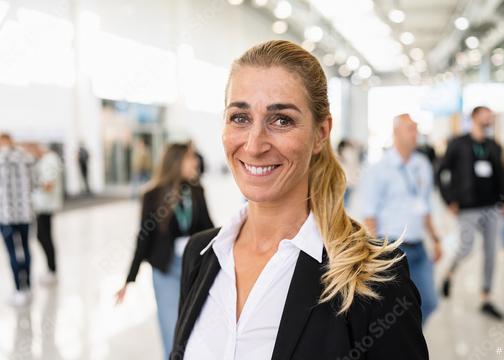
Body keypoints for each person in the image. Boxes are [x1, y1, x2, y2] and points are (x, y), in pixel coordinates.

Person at [170, 40, 427, 360]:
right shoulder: (202, 255)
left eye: (281, 120)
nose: (254, 145)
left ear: (321, 133)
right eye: (240, 117)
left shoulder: (373, 279)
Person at [116, 142, 213, 360]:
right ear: (177, 162)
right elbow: (143, 239)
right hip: (166, 271)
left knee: (195, 332)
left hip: (194, 269)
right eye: (191, 157)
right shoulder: (153, 195)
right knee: (171, 335)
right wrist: (128, 280)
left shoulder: (196, 190)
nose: (196, 162)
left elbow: (209, 228)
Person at [360, 114, 442, 325]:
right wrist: (373, 256)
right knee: (393, 310)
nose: (415, 134)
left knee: (430, 301)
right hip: (392, 248)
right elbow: (369, 215)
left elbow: (425, 206)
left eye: (416, 129)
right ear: (396, 132)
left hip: (419, 246)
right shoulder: (379, 169)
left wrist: (435, 238)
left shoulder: (422, 164)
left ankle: (410, 342)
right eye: (410, 129)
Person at [437, 106, 504, 320]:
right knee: (466, 248)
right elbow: (441, 172)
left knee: (491, 252)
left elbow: (501, 174)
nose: (489, 118)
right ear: (475, 117)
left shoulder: (494, 146)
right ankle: (449, 273)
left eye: (490, 116)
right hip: (468, 206)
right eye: (485, 114)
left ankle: (486, 297)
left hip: (491, 207)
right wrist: (449, 199)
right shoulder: (459, 144)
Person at [0, 133, 36, 307]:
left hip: (5, 215)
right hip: (25, 213)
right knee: (26, 249)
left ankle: (18, 289)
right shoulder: (26, 158)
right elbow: (34, 184)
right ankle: (28, 286)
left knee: (12, 252)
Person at [28, 143, 63, 285]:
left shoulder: (50, 160)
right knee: (43, 237)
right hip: (42, 206)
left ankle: (52, 270)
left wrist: (33, 184)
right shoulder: (45, 160)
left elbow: (48, 185)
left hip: (46, 207)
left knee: (44, 237)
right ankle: (51, 269)